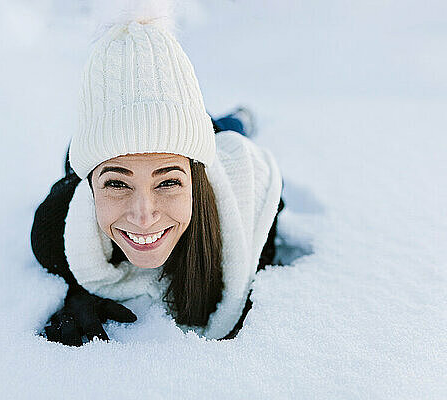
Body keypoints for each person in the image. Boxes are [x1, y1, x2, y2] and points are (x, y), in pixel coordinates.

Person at [30, 17, 285, 347]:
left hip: (202, 133)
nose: (143, 215)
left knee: (221, 127)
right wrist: (79, 290)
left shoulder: (248, 189)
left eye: (167, 183)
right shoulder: (56, 231)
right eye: (117, 185)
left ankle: (238, 117)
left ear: (195, 179)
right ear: (91, 186)